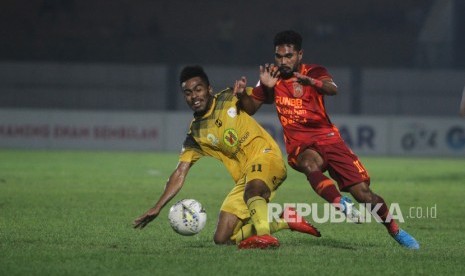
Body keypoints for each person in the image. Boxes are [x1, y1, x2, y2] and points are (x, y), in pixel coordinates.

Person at [234, 30, 419, 250]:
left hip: (329, 139)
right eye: (279, 56)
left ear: (299, 55)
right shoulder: (270, 77)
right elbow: (251, 108)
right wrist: (242, 96)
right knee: (308, 163)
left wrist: (310, 81)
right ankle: (339, 202)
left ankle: (396, 231)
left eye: (288, 56)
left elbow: (333, 89)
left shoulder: (314, 71)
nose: (283, 61)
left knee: (364, 194)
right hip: (301, 144)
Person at [134, 65, 320, 249]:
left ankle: (265, 237)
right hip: (245, 178)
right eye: (188, 92)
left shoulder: (229, 96)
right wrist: (157, 206)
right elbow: (179, 173)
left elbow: (263, 98)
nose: (194, 96)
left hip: (267, 156)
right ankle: (284, 221)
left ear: (209, 89)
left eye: (198, 89)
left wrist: (254, 91)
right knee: (223, 239)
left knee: (253, 191)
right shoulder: (196, 134)